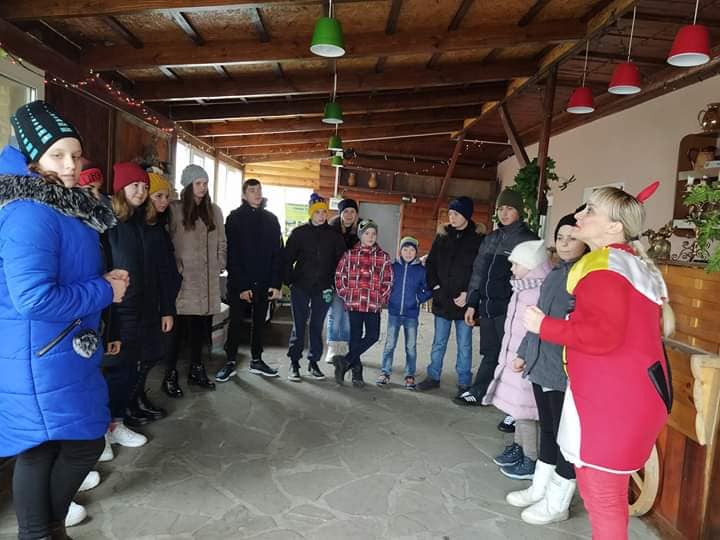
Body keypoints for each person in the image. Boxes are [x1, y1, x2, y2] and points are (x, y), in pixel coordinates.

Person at [0, 100, 128, 540]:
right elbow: (34, 298)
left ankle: (46, 530)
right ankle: (40, 532)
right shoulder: (30, 212)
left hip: (57, 348)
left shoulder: (59, 204)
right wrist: (104, 290)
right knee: (51, 448)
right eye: (57, 155)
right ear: (32, 159)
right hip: (38, 352)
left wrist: (102, 282)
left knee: (64, 445)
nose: (71, 165)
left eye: (75, 154)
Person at [523, 184, 674, 540]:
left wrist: (544, 326)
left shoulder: (605, 268)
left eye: (590, 210)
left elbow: (602, 335)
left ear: (614, 226)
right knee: (606, 498)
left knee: (603, 499)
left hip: (612, 402)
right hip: (624, 397)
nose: (579, 215)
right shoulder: (626, 264)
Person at [506, 212, 589, 525]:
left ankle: (557, 502)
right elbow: (536, 317)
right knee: (549, 429)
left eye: (572, 238)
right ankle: (540, 488)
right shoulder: (555, 274)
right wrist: (523, 352)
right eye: (560, 237)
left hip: (564, 369)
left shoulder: (584, 277)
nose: (565, 244)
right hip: (541, 362)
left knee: (567, 437)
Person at [104, 162, 179, 441]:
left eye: (144, 187)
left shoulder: (148, 226)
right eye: (134, 185)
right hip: (118, 312)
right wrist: (109, 323)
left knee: (132, 369)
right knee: (114, 371)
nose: (140, 191)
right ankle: (101, 433)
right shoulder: (109, 225)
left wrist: (166, 308)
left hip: (146, 309)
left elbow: (161, 273)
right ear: (120, 188)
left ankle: (117, 423)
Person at [459, 188, 538, 406]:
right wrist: (472, 303)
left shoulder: (528, 240)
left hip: (510, 309)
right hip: (487, 307)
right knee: (490, 351)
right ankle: (482, 390)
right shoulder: (491, 238)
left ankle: (493, 394)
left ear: (519, 211)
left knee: (510, 354)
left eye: (509, 208)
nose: (504, 213)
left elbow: (534, 280)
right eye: (501, 208)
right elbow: (478, 272)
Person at [485, 240, 551, 481]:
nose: (511, 268)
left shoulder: (538, 290)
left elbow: (535, 331)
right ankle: (519, 447)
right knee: (517, 409)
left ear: (531, 265)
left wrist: (523, 355)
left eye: (516, 263)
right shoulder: (523, 286)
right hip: (514, 357)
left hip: (526, 360)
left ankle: (530, 459)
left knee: (525, 413)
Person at [166, 164, 226, 393]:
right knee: (176, 330)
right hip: (184, 279)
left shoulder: (214, 211)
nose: (203, 187)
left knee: (199, 329)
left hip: (207, 281)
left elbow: (222, 241)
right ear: (188, 185)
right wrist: (176, 266)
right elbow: (167, 241)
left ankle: (196, 369)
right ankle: (170, 374)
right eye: (198, 183)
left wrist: (220, 262)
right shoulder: (175, 210)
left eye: (205, 183)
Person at [217, 178, 283, 381]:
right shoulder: (234, 218)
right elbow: (232, 255)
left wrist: (275, 284)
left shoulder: (271, 219)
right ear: (244, 195)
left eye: (259, 190)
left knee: (260, 323)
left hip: (264, 282)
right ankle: (230, 362)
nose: (257, 193)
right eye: (252, 190)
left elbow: (277, 253)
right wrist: (242, 287)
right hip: (240, 283)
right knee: (236, 323)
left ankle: (257, 360)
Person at [417, 196, 484, 395]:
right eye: (450, 213)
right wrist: (436, 288)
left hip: (465, 303)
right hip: (443, 300)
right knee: (439, 341)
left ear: (466, 215)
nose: (451, 218)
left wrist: (469, 295)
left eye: (456, 214)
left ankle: (464, 382)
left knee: (464, 344)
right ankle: (433, 376)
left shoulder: (478, 239)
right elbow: (431, 264)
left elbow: (480, 270)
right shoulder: (443, 236)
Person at [284, 193, 346, 382]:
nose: (321, 215)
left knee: (317, 326)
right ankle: (294, 363)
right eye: (317, 212)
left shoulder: (334, 236)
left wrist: (334, 284)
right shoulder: (299, 233)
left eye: (324, 212)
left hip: (323, 288)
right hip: (300, 287)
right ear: (311, 213)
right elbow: (286, 259)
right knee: (299, 325)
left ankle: (313, 362)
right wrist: (290, 280)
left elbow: (341, 262)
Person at [334, 219, 393, 387]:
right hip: (354, 303)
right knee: (355, 337)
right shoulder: (350, 255)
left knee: (373, 336)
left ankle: (345, 361)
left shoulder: (383, 257)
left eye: (373, 233)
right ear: (360, 235)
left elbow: (388, 280)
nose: (370, 236)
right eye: (367, 233)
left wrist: (381, 298)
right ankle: (357, 373)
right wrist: (345, 294)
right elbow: (340, 276)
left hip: (373, 304)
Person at [376, 236, 432, 390]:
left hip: (411, 314)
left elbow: (428, 289)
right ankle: (385, 372)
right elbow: (385, 284)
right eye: (405, 249)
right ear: (400, 251)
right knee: (389, 344)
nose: (408, 253)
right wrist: (387, 299)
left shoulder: (421, 270)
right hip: (394, 312)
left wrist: (418, 298)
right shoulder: (393, 267)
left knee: (411, 346)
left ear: (416, 252)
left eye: (412, 250)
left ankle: (409, 375)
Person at [323, 197, 361, 364]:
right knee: (336, 314)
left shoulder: (360, 231)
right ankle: (332, 347)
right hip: (336, 280)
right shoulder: (331, 230)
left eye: (352, 211)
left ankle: (344, 347)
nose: (349, 215)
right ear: (340, 213)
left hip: (354, 282)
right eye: (346, 211)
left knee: (348, 317)